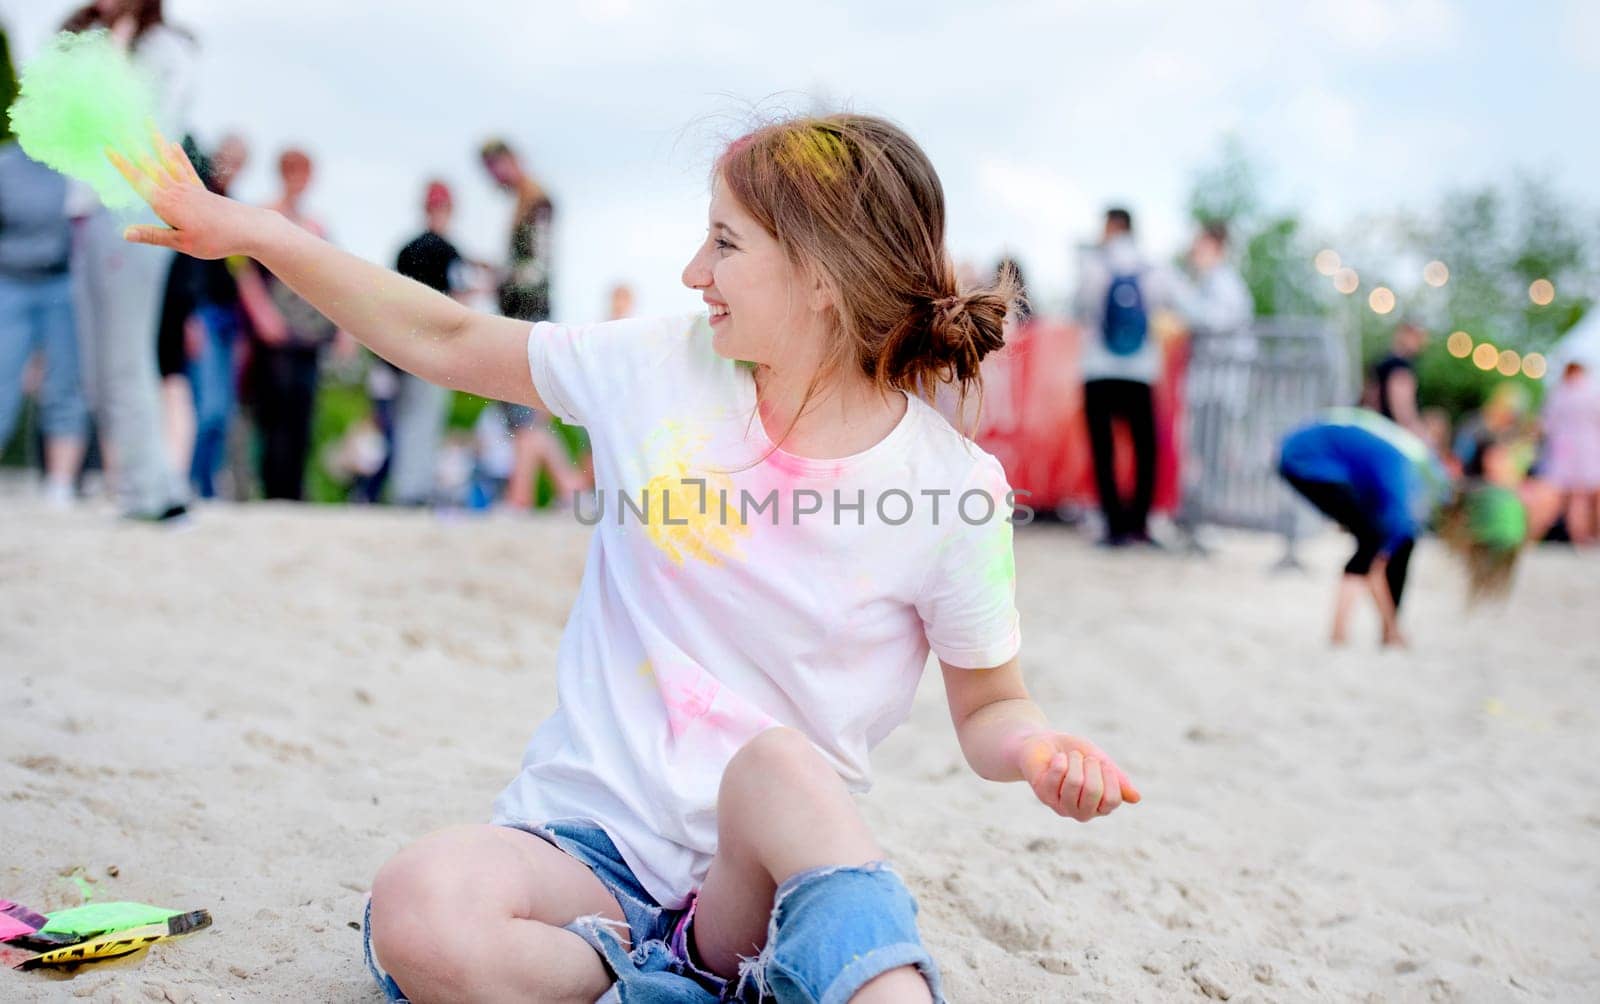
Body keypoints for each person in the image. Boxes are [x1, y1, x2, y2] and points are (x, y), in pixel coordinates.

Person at [116, 112, 1140, 1004]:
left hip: (765, 869)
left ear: (822, 277)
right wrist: (254, 231)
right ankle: (666, 980)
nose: (695, 272)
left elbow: (991, 708)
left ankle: (777, 967)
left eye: (725, 243)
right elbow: (441, 335)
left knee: (779, 762)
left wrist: (1037, 750)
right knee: (418, 908)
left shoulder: (955, 487)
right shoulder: (656, 365)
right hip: (588, 850)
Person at [62, 0, 196, 521]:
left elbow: (155, 129)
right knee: (98, 367)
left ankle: (156, 494)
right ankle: (139, 487)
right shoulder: (87, 39)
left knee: (126, 357)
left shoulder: (168, 49)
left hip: (131, 208)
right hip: (84, 213)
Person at [479, 137, 587, 508]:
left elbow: (536, 268)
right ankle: (570, 489)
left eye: (496, 168)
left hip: (528, 317)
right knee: (526, 414)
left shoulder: (537, 204)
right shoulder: (527, 204)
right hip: (523, 315)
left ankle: (519, 499)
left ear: (511, 161)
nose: (495, 178)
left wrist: (498, 277)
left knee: (524, 412)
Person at [365, 180, 479, 506]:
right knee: (423, 419)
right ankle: (411, 493)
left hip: (399, 348)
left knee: (405, 423)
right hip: (432, 349)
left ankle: (405, 489)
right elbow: (458, 302)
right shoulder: (448, 251)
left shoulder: (407, 248)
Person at [239, 148, 340, 500]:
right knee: (274, 414)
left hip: (309, 334)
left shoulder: (316, 225)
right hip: (275, 333)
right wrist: (262, 314)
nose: (300, 180)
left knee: (303, 412)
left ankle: (295, 490)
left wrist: (341, 328)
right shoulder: (266, 214)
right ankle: (271, 490)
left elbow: (332, 279)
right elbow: (244, 270)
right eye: (294, 172)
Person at [1073, 207, 1174, 546]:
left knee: (1104, 449)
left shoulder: (1094, 264)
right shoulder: (1153, 266)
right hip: (1141, 370)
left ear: (1111, 226)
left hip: (1098, 368)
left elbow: (1082, 305)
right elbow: (1166, 306)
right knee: (1145, 449)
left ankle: (1113, 527)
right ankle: (1140, 524)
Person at [156, 133, 248, 498]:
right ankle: (189, 481)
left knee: (222, 410)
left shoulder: (234, 207)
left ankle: (205, 483)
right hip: (203, 314)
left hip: (229, 319)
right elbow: (186, 267)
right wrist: (190, 316)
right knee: (205, 406)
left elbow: (240, 275)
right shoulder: (196, 201)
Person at [0, 140, 87, 505]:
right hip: (10, 282)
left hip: (62, 282)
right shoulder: (5, 166)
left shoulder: (77, 165)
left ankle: (61, 483)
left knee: (65, 382)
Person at [1540, 361, 1600, 544]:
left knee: (1575, 496)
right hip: (1590, 448)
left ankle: (1578, 539)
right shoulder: (1592, 392)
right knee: (1586, 495)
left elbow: (1546, 425)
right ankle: (1592, 537)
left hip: (1564, 449)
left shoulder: (1558, 394)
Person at [1368, 319, 1427, 435]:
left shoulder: (1382, 362)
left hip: (1377, 428)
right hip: (1393, 433)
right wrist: (1423, 438)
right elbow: (1403, 411)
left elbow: (1371, 400)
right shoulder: (1400, 366)